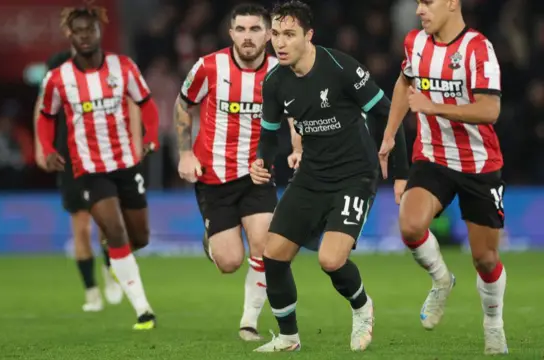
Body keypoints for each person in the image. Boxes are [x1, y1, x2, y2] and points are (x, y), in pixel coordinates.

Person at [249, 0, 408, 352]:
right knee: (272, 254)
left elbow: (390, 113)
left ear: (308, 36)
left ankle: (363, 307)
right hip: (310, 176)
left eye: (289, 34)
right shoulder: (275, 82)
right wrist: (261, 161)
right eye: (275, 33)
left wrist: (401, 171)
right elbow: (269, 134)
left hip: (354, 176)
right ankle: (289, 338)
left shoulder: (340, 68)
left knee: (330, 260)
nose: (280, 42)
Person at [378, 0, 507, 355]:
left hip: (479, 164)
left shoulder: (478, 48)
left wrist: (433, 107)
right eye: (418, 3)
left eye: (427, 2)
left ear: (452, 3)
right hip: (432, 157)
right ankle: (441, 279)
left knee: (485, 259)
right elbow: (405, 85)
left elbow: (490, 109)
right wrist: (390, 136)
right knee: (410, 225)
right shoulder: (415, 43)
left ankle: (493, 324)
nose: (420, 10)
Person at [35, 5, 159, 330]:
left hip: (125, 163)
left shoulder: (124, 67)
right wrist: (47, 149)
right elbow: (46, 116)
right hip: (88, 168)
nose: (85, 36)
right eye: (78, 31)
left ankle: (113, 257)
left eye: (90, 29)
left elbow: (146, 103)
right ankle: (143, 309)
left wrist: (150, 136)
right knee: (113, 230)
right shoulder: (58, 77)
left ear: (99, 30)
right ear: (69, 34)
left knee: (140, 237)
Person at [175, 3, 282, 342]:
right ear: (231, 33)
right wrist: (184, 152)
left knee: (264, 246)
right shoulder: (208, 67)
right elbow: (182, 105)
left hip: (257, 174)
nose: (247, 37)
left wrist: (296, 148)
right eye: (241, 29)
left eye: (254, 30)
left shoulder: (281, 71)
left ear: (267, 34)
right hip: (213, 177)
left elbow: (296, 114)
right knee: (229, 262)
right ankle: (213, 242)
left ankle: (248, 323)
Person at [33, 47, 132, 313]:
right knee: (81, 225)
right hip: (69, 155)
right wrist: (40, 146)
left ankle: (110, 269)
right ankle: (91, 291)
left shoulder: (105, 65)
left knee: (106, 220)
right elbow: (42, 105)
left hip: (103, 152)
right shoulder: (57, 64)